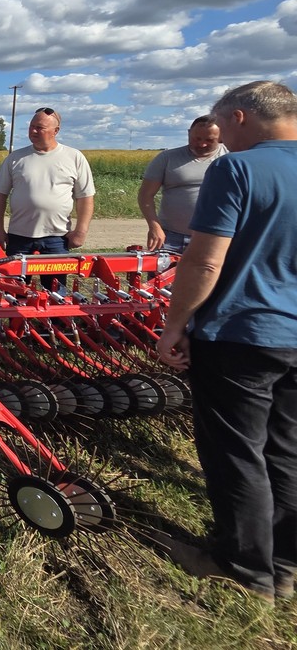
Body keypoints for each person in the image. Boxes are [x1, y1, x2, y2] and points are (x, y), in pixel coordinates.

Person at [156, 80, 297, 603]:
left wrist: (175, 325)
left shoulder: (237, 169)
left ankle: (242, 566)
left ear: (239, 117)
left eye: (221, 127)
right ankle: (284, 562)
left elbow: (204, 260)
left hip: (242, 333)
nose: (219, 139)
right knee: (287, 447)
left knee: (237, 451)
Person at [0, 107, 95, 290]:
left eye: (39, 127)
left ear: (56, 131)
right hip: (19, 237)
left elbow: (85, 197)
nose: (33, 131)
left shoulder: (74, 157)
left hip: (57, 238)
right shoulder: (16, 158)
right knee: (14, 291)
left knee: (56, 291)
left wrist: (81, 231)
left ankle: (55, 309)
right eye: (31, 126)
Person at [137, 115, 226, 252]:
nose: (202, 144)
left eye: (209, 140)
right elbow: (145, 195)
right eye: (197, 138)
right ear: (189, 133)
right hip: (171, 237)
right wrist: (154, 226)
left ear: (221, 137)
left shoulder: (232, 158)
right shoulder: (167, 158)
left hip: (216, 238)